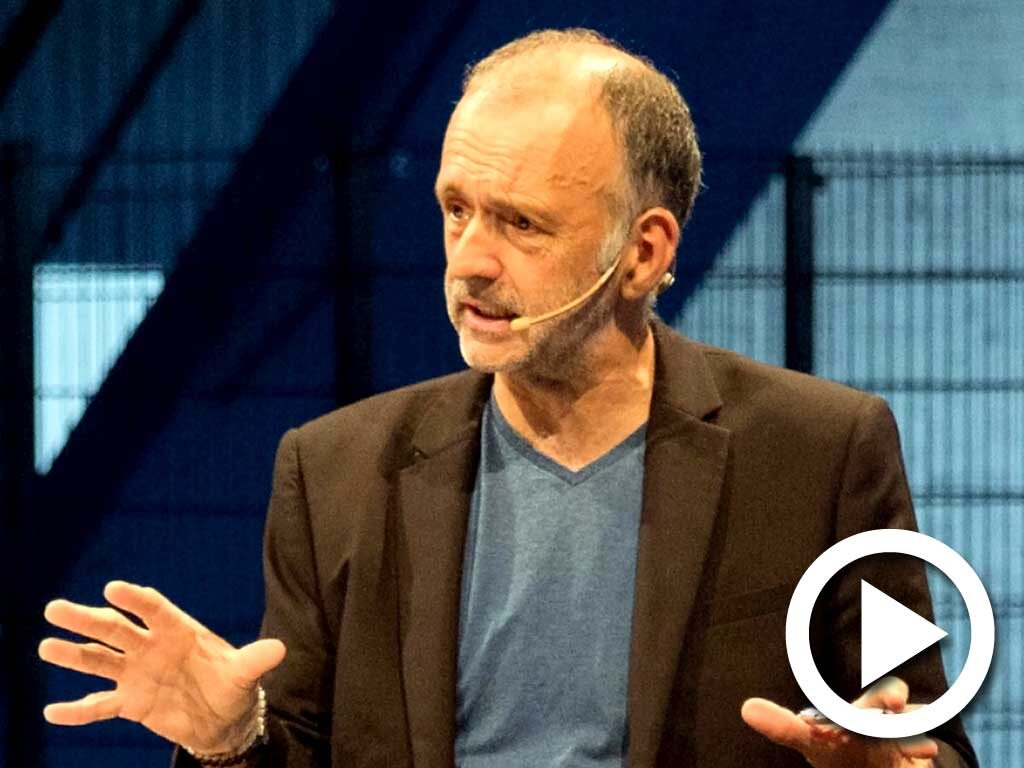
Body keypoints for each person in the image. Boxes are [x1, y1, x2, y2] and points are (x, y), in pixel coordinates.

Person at [38, 28, 976, 768]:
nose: (470, 261)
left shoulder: (822, 452)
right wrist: (229, 740)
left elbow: (928, 737)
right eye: (457, 209)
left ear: (643, 252)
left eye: (522, 223)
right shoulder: (333, 473)